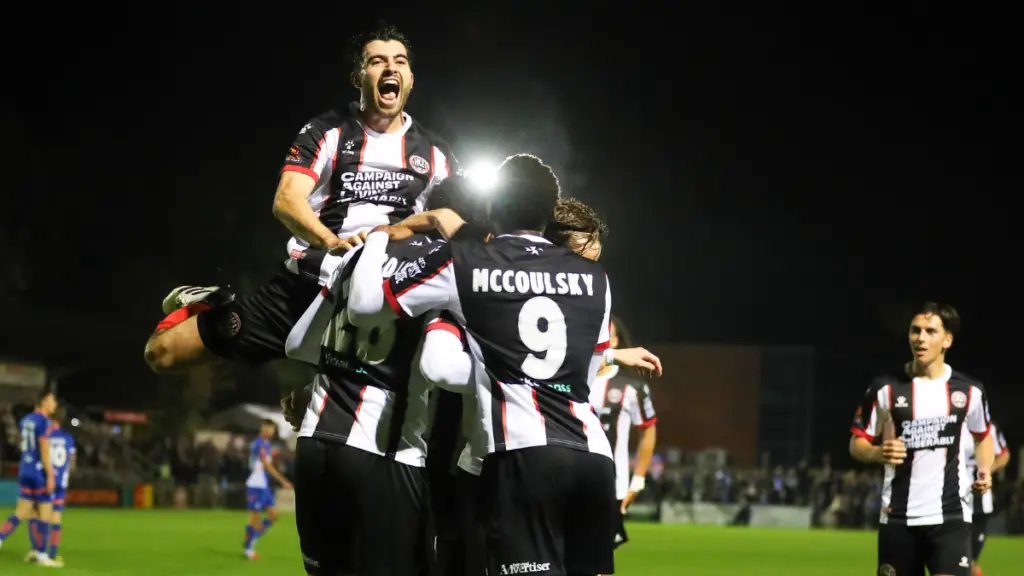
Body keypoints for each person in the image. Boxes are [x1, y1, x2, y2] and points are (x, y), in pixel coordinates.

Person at [344, 153, 621, 576]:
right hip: (593, 459)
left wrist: (377, 242)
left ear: (493, 209)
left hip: (523, 456)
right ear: (551, 212)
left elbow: (364, 309)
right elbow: (584, 377)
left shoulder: (465, 261)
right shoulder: (595, 278)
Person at [143, 22, 457, 374]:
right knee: (162, 354)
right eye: (377, 61)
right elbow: (287, 200)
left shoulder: (436, 154)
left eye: (399, 62)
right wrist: (332, 241)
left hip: (390, 294)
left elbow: (448, 223)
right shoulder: (327, 130)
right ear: (358, 76)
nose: (390, 69)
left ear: (411, 78)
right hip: (306, 288)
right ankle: (211, 302)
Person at [415, 196, 661, 576]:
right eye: (582, 258)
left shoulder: (482, 284)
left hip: (508, 461)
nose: (584, 270)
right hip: (582, 458)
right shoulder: (590, 287)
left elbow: (442, 368)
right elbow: (569, 368)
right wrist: (611, 357)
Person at [285, 173, 489, 576]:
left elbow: (297, 345)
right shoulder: (449, 267)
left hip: (314, 445)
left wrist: (330, 376)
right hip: (385, 454)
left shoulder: (359, 253)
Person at [849, 302, 993, 576]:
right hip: (898, 518)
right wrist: (878, 454)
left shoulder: (970, 391)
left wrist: (984, 470)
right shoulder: (885, 388)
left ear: (947, 340)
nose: (920, 338)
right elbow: (857, 443)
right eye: (915, 331)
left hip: (951, 516)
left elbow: (983, 436)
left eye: (930, 331)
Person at [589, 315, 658, 553]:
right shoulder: (570, 380)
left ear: (615, 341)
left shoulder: (631, 386)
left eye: (606, 334)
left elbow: (648, 430)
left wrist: (637, 481)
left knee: (599, 561)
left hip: (611, 486)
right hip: (567, 481)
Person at [0, 392, 59, 567]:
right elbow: (44, 450)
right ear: (43, 402)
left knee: (23, 510)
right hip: (37, 471)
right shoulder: (44, 423)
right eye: (51, 401)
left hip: (24, 468)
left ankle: (1, 538)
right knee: (45, 512)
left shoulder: (25, 420)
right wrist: (50, 474)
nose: (54, 404)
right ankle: (41, 554)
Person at [27, 407, 74, 567]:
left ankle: (36, 550)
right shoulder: (68, 438)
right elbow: (71, 463)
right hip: (60, 483)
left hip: (43, 480)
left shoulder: (43, 436)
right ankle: (52, 553)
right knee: (56, 517)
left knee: (35, 514)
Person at [962, 420, 1010, 576]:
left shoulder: (989, 428)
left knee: (969, 560)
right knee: (956, 558)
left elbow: (1004, 455)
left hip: (979, 502)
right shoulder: (949, 422)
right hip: (951, 499)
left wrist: (985, 471)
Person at [243, 420, 291, 560]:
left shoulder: (267, 445)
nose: (270, 431)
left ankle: (250, 539)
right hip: (255, 484)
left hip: (263, 485)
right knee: (255, 518)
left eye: (272, 429)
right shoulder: (259, 444)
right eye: (268, 428)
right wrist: (282, 480)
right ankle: (249, 548)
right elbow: (266, 466)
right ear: (262, 428)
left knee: (273, 516)